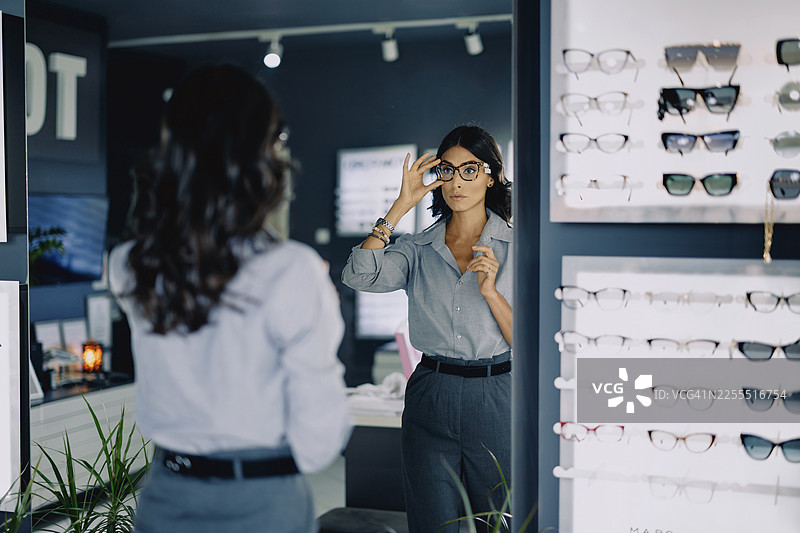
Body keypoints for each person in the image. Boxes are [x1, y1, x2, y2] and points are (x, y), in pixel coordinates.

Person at [108, 64, 352, 533]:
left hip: (166, 495)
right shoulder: (291, 270)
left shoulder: (127, 266)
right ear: (262, 156)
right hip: (264, 501)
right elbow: (320, 438)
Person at [342, 125, 513, 532]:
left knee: (502, 522)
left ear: (491, 175)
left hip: (497, 395)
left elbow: (533, 344)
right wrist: (400, 206)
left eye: (469, 170)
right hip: (430, 394)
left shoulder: (518, 247)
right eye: (447, 171)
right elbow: (358, 275)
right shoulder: (418, 248)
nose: (456, 182)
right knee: (433, 523)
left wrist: (491, 292)